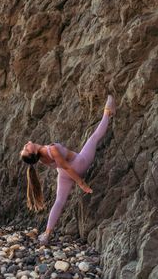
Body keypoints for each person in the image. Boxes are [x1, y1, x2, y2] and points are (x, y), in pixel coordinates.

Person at [19, 95, 116, 245]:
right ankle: (108, 112)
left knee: (59, 202)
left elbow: (62, 167)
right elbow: (67, 166)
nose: (25, 145)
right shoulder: (50, 150)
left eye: (24, 148)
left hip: (63, 175)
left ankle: (46, 234)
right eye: (26, 149)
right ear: (32, 153)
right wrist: (81, 183)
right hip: (78, 164)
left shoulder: (42, 158)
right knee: (94, 138)